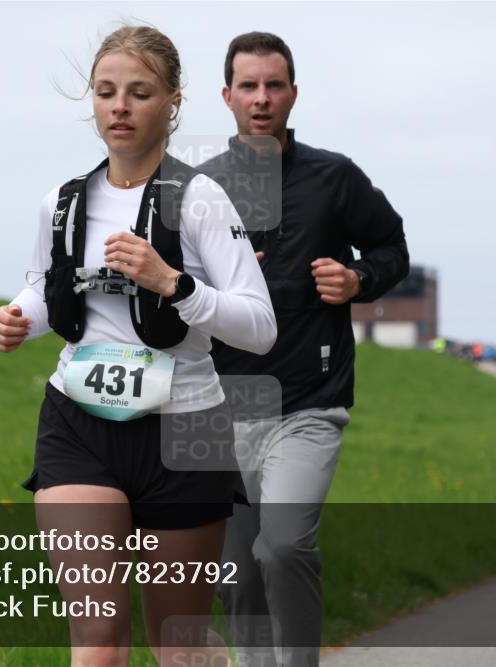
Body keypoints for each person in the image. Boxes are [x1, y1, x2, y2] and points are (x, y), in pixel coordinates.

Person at [0, 26, 277, 665]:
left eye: (139, 93)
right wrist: (17, 319)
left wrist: (172, 284)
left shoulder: (200, 200)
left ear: (172, 102)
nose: (119, 107)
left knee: (178, 645)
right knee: (97, 636)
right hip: (77, 425)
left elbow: (259, 326)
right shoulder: (61, 205)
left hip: (185, 431)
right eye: (106, 92)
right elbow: (44, 291)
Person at [198, 32, 409, 666]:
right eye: (249, 86)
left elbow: (392, 248)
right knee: (235, 576)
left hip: (309, 404)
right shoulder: (199, 190)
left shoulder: (334, 178)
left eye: (274, 85)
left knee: (281, 547)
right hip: (220, 407)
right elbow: (169, 294)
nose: (261, 98)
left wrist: (358, 281)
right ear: (227, 96)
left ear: (293, 93)